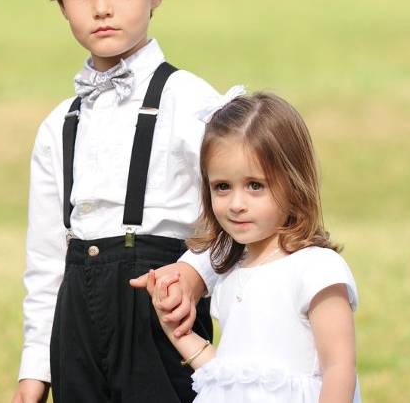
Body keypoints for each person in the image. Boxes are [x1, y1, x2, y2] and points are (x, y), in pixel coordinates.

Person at [11, 0, 221, 403]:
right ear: (60, 2)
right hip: (76, 325)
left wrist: (196, 277)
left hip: (162, 317)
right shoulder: (59, 125)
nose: (102, 7)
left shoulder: (193, 103)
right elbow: (46, 260)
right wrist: (35, 367)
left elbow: (238, 218)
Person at [144, 91, 362, 402]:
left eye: (254, 186)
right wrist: (177, 331)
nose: (236, 204)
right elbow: (229, 378)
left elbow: (339, 368)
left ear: (293, 181)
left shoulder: (316, 268)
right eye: (222, 187)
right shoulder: (230, 274)